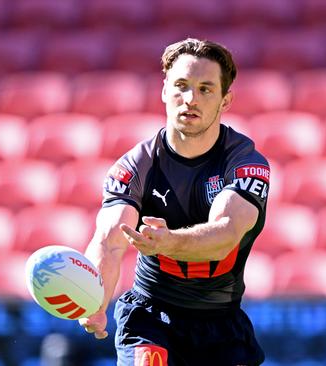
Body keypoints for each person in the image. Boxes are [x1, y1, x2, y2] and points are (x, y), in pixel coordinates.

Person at [79, 38, 270, 366]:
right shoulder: (134, 167)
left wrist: (168, 242)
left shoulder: (245, 163)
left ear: (226, 101)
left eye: (206, 89)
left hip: (222, 326)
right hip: (151, 318)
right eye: (181, 86)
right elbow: (109, 241)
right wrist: (94, 298)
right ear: (165, 91)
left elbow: (223, 237)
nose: (191, 99)